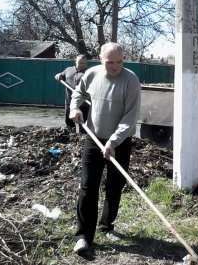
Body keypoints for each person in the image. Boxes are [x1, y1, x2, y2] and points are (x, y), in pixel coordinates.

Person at [69, 43, 141, 254]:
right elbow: (78, 93)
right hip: (93, 138)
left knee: (114, 185)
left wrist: (113, 142)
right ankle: (84, 236)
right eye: (110, 62)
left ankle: (106, 224)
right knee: (88, 186)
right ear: (101, 59)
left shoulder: (131, 80)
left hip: (120, 142)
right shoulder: (91, 74)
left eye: (119, 62)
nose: (115, 66)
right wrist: (75, 108)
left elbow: (130, 118)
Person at [54, 55, 89, 129]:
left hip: (84, 103)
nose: (81, 65)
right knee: (69, 123)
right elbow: (60, 76)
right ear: (75, 62)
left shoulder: (88, 73)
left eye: (83, 63)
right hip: (69, 102)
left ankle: (82, 137)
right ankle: (70, 137)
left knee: (83, 125)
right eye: (79, 63)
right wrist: (58, 75)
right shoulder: (68, 70)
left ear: (86, 63)